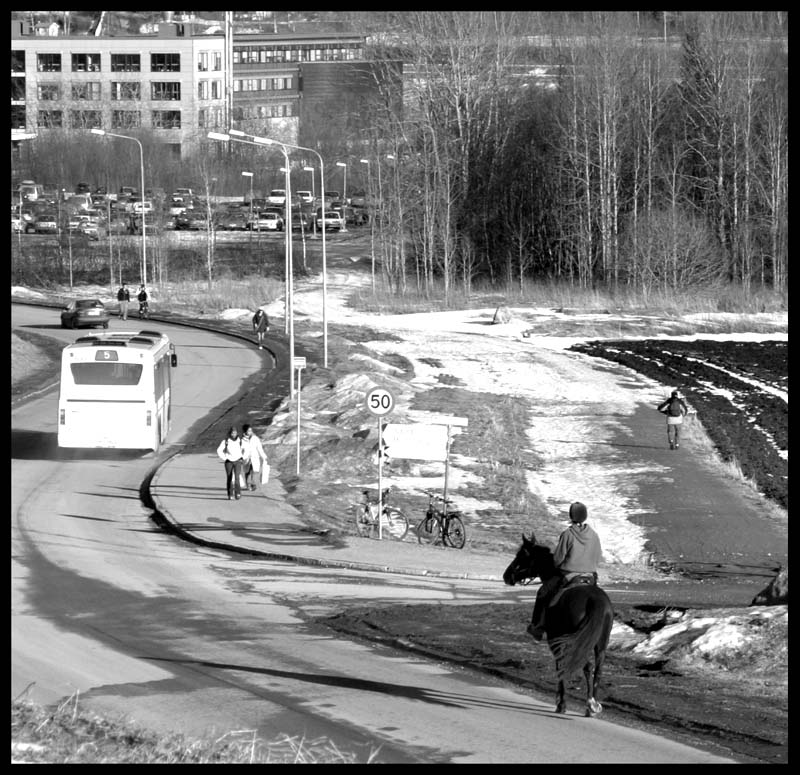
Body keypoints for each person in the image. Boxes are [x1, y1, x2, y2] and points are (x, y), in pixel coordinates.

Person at [528, 502, 602, 641]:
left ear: (571, 516)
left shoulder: (568, 534)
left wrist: (557, 565)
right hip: (590, 577)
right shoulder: (594, 535)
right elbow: (598, 556)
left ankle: (538, 627)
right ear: (584, 516)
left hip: (569, 575)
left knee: (543, 592)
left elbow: (558, 557)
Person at [216, 426, 246, 500]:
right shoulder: (226, 441)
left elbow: (246, 449)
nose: (234, 434)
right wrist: (225, 458)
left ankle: (238, 493)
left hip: (238, 461)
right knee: (229, 477)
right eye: (232, 433)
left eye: (235, 433)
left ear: (237, 433)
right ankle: (230, 494)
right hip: (229, 462)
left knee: (237, 477)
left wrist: (242, 457)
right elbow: (219, 450)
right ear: (230, 433)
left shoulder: (240, 441)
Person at [240, 423, 268, 491]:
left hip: (254, 457)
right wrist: (240, 457)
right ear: (245, 431)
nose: (250, 432)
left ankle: (253, 483)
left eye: (251, 430)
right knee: (247, 472)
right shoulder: (242, 440)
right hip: (246, 458)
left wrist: (264, 456)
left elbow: (259, 448)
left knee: (254, 471)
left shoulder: (255, 439)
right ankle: (248, 484)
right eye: (249, 431)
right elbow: (240, 449)